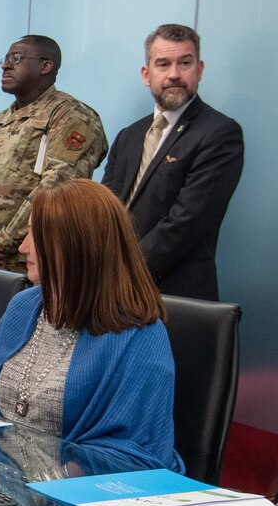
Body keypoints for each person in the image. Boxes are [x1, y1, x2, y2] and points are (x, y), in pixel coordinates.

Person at [0, 179, 180, 474]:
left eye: (35, 234)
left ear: (74, 246)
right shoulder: (24, 306)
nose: (22, 246)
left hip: (76, 504)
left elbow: (135, 457)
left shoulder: (138, 335)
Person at [97, 23, 245, 300]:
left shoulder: (219, 133)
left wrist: (119, 274)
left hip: (173, 297)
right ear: (146, 74)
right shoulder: (129, 136)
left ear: (199, 70)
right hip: (112, 293)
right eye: (163, 64)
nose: (174, 74)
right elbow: (105, 210)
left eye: (184, 63)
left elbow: (185, 223)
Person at [0, 35, 107, 274]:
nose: (6, 65)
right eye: (5, 59)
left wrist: (3, 242)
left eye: (16, 58)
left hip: (36, 261)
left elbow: (56, 187)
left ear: (46, 67)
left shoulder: (72, 116)